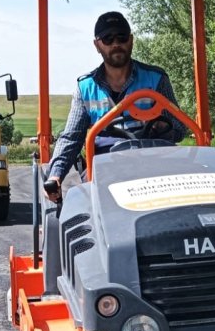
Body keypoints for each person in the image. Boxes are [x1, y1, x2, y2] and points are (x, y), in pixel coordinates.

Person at [44, 11, 185, 201]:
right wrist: (56, 175)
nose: (116, 43)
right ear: (97, 45)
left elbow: (180, 128)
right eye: (108, 39)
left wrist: (163, 128)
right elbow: (71, 138)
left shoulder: (156, 78)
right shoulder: (85, 87)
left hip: (153, 158)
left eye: (122, 36)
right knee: (82, 202)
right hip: (104, 164)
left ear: (131, 40)